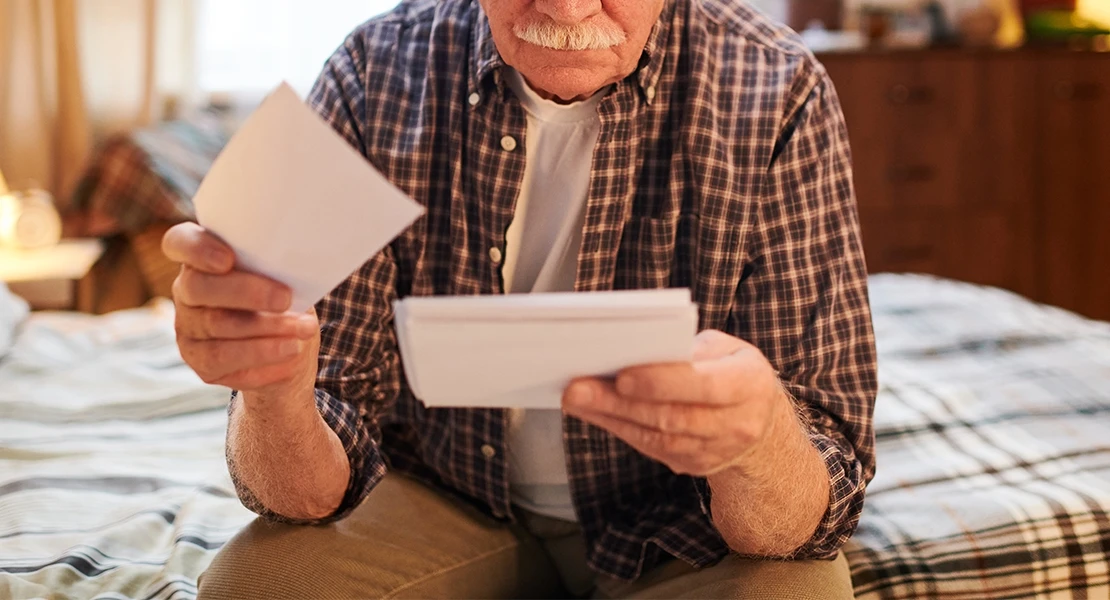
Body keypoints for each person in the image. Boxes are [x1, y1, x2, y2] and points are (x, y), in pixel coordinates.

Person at [163, 0, 877, 597]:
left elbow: (814, 498)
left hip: (683, 527)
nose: (567, 8)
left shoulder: (778, 85)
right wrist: (274, 392)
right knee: (253, 586)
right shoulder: (372, 73)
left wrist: (756, 443)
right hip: (450, 498)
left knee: (800, 590)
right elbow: (305, 490)